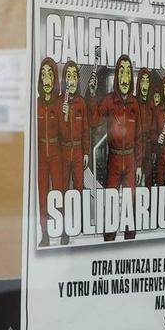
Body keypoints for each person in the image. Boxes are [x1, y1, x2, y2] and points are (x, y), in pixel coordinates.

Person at [95, 53, 140, 241]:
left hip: (130, 160)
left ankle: (130, 240)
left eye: (127, 72)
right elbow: (95, 119)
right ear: (117, 77)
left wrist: (137, 164)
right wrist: (92, 94)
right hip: (113, 158)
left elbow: (139, 136)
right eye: (121, 71)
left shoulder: (135, 103)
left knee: (132, 202)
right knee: (111, 200)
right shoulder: (108, 100)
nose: (124, 76)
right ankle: (109, 239)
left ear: (130, 78)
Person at [34, 56, 63, 248]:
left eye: (50, 74)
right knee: (42, 194)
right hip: (40, 155)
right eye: (43, 74)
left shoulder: (59, 104)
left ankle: (63, 231)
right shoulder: (35, 103)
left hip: (56, 153)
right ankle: (44, 233)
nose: (46, 79)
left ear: (54, 80)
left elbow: (65, 132)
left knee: (59, 192)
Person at [59, 59, 90, 207]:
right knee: (63, 186)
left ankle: (79, 218)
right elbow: (57, 132)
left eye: (74, 76)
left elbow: (85, 129)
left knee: (79, 185)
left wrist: (86, 153)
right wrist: (62, 116)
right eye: (68, 76)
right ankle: (64, 218)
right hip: (64, 151)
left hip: (78, 151)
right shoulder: (59, 102)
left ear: (78, 80)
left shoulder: (81, 103)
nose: (71, 81)